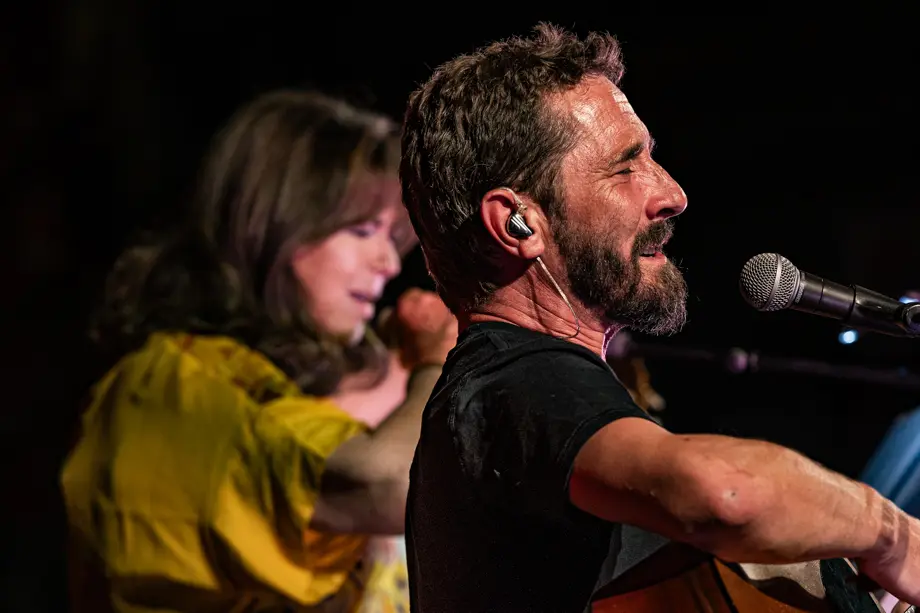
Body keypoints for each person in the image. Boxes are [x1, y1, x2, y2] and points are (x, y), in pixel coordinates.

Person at [399, 23, 920, 612]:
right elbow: (726, 494)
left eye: (653, 158)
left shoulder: (514, 401)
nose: (672, 193)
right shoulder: (520, 381)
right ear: (519, 224)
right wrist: (890, 532)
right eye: (625, 168)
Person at [60, 90, 456, 613]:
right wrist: (440, 359)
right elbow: (391, 487)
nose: (387, 261)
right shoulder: (168, 388)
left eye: (392, 235)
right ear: (276, 230)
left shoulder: (303, 380)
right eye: (362, 230)